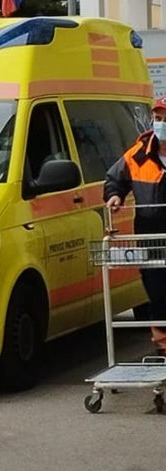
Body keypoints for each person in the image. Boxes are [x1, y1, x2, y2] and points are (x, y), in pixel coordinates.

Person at [105, 96, 166, 354]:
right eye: (159, 118)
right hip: (151, 236)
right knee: (157, 292)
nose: (161, 123)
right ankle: (163, 347)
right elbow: (114, 179)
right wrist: (115, 195)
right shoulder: (138, 155)